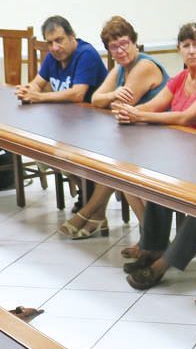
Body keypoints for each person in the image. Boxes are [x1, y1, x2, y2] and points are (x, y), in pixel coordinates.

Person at [120, 23, 196, 293]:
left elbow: (187, 117)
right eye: (186, 46)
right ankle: (152, 249)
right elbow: (154, 104)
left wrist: (141, 116)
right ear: (179, 49)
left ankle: (163, 265)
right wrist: (129, 111)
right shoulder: (181, 78)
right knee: (158, 183)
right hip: (182, 156)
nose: (192, 51)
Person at [58, 16, 169, 239]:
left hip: (160, 138)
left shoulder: (144, 66)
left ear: (134, 41)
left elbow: (122, 105)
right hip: (134, 134)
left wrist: (113, 99)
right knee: (108, 163)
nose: (120, 51)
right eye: (113, 47)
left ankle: (89, 212)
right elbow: (96, 99)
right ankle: (105, 220)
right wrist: (113, 94)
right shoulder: (120, 69)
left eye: (124, 43)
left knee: (118, 168)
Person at [16, 15, 106, 104]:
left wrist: (39, 97)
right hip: (68, 114)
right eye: (50, 43)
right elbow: (37, 84)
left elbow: (77, 94)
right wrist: (27, 91)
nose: (54, 48)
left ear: (72, 36)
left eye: (59, 40)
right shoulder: (52, 56)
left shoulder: (87, 54)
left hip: (94, 115)